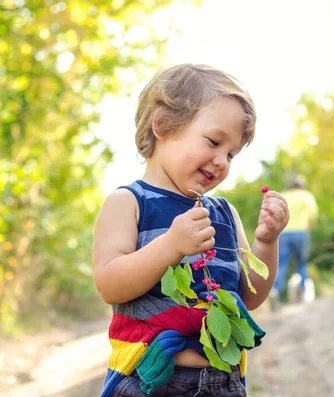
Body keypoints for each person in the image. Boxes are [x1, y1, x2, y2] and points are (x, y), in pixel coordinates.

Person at [92, 64, 289, 397]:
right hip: (150, 379)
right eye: (213, 142)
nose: (222, 161)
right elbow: (110, 284)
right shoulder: (129, 202)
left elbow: (251, 296)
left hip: (223, 383)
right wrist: (171, 245)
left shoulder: (224, 214)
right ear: (163, 126)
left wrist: (267, 242)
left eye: (231, 154)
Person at [271, 174, 318, 305]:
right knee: (302, 263)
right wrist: (309, 225)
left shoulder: (284, 195)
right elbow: (313, 214)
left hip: (284, 233)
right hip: (301, 233)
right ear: (302, 185)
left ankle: (274, 290)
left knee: (281, 264)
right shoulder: (306, 196)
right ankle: (303, 292)